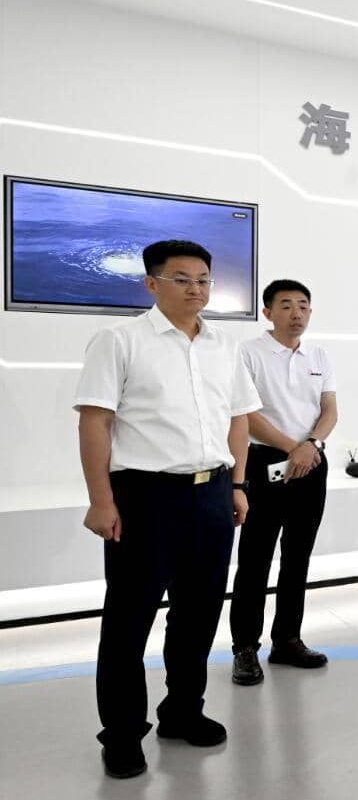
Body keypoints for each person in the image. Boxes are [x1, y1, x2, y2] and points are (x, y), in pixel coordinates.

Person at [74, 240, 261, 779]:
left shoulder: (224, 347)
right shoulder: (120, 340)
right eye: (182, 278)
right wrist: (100, 499)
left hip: (213, 492)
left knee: (198, 614)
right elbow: (95, 421)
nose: (195, 288)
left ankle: (182, 711)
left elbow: (238, 419)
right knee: (129, 619)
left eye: (203, 279)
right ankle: (122, 733)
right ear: (152, 283)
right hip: (145, 497)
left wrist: (237, 485)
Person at [229, 279, 339, 685]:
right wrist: (294, 447)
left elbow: (329, 409)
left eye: (304, 306)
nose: (297, 313)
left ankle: (287, 640)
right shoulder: (247, 353)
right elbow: (246, 414)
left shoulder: (319, 355)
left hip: (312, 462)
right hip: (263, 462)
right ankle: (245, 648)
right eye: (287, 305)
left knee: (298, 557)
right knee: (255, 559)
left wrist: (311, 445)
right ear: (268, 311)